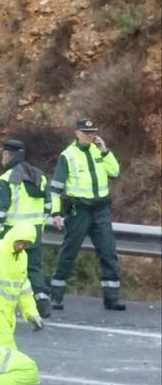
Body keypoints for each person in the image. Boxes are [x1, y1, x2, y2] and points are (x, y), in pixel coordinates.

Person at [48, 118, 125, 311]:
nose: (90, 136)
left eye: (93, 132)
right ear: (77, 133)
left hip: (100, 211)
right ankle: (56, 296)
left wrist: (105, 151)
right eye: (86, 132)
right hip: (79, 211)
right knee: (69, 252)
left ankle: (111, 298)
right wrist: (56, 213)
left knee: (108, 252)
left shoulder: (99, 151)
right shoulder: (68, 155)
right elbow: (55, 188)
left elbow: (115, 172)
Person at [0, 139, 52, 317]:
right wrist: (39, 227)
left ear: (7, 155)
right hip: (34, 232)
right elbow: (48, 206)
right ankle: (42, 299)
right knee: (34, 268)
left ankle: (5, 304)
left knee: (7, 267)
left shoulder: (6, 180)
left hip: (12, 234)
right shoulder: (40, 176)